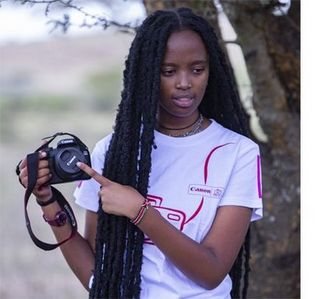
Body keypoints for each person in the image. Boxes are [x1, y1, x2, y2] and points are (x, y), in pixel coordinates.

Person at [16, 8, 262, 299]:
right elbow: (98, 277)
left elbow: (211, 272)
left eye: (197, 69)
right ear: (146, 74)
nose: (185, 82)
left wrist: (140, 211)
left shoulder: (238, 153)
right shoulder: (113, 151)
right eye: (168, 71)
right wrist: (47, 200)